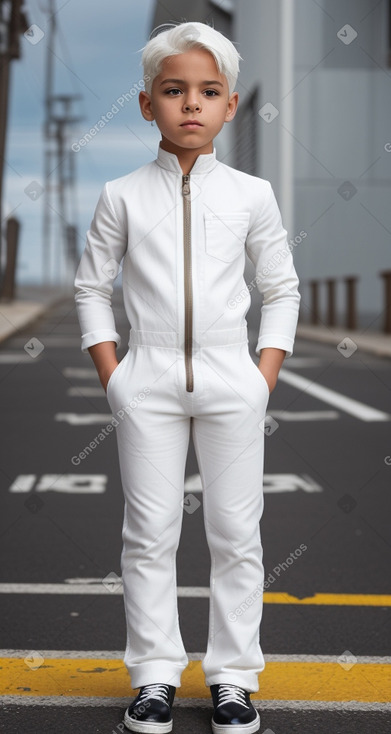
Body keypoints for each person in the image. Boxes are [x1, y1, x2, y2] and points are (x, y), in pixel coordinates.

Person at [74, 20, 301, 734]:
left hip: (232, 381)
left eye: (208, 92)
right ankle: (153, 676)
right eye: (174, 91)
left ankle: (232, 677)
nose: (191, 105)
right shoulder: (120, 194)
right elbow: (91, 289)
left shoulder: (251, 195)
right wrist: (116, 375)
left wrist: (260, 376)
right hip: (148, 381)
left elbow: (281, 288)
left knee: (237, 534)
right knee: (149, 533)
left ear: (231, 104)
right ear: (148, 105)